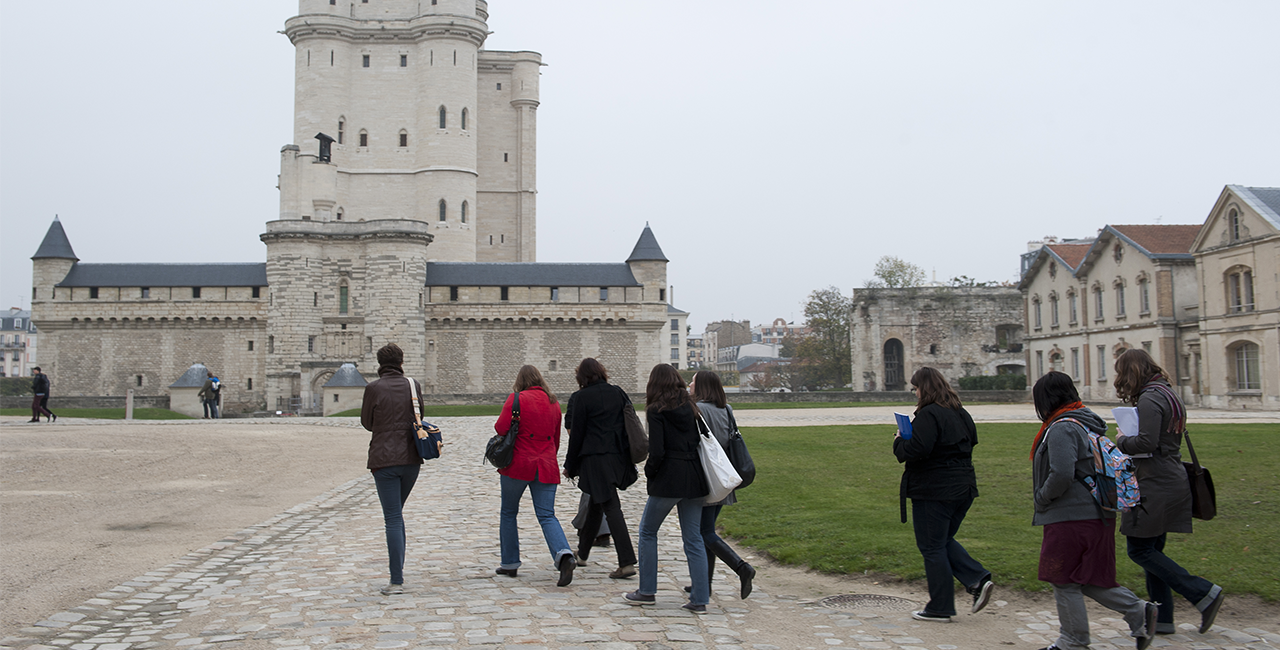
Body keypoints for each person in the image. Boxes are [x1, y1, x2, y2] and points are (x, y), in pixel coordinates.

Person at [1031, 371, 1157, 650]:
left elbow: (1062, 473)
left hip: (1071, 515)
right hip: (1095, 513)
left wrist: (1042, 497)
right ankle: (1139, 611)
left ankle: (1073, 641)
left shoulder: (1063, 426)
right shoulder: (1086, 422)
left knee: (1062, 578)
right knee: (1085, 577)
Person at [1114, 349, 1225, 635]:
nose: (1121, 380)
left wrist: (1122, 441)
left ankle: (1203, 592)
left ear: (1132, 371)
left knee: (1139, 550)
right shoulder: (1168, 393)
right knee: (1153, 550)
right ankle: (1162, 619)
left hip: (1154, 483)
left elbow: (1147, 443)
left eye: (1122, 374)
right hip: (1170, 477)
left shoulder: (1151, 398)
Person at [892, 366, 993, 623]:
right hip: (964, 486)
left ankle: (940, 606)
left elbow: (917, 449)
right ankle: (977, 579)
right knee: (942, 540)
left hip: (934, 489)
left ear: (923, 388)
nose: (914, 393)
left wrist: (899, 440)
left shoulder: (929, 414)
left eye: (915, 388)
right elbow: (972, 441)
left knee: (931, 546)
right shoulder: (960, 412)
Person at [625, 364, 711, 613]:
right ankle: (700, 598)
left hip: (670, 477)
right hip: (694, 475)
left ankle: (647, 590)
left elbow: (658, 450)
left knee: (647, 532)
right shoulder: (691, 406)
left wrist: (650, 471)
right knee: (693, 538)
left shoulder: (656, 409)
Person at [492, 365, 576, 587]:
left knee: (509, 512)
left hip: (518, 465)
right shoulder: (554, 403)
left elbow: (501, 429)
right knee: (547, 515)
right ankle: (564, 554)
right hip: (546, 465)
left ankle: (510, 563)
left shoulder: (516, 399)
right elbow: (556, 439)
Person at [563, 358, 638, 579]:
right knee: (597, 503)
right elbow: (629, 421)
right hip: (618, 457)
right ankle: (583, 553)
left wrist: (570, 465)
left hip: (596, 460)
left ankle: (626, 562)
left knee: (611, 507)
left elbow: (576, 436)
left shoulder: (581, 398)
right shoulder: (618, 393)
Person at [360, 343, 425, 595]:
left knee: (393, 517)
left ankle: (396, 580)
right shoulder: (413, 385)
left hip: (384, 460)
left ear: (379, 363)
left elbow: (367, 422)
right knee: (396, 515)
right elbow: (419, 416)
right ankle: (398, 572)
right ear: (401, 361)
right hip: (411, 459)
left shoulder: (373, 388)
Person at [688, 370, 755, 599]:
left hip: (708, 478)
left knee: (703, 532)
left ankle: (741, 567)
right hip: (724, 476)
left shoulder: (699, 411)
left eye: (693, 382)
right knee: (707, 530)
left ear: (702, 386)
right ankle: (703, 582)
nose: (689, 384)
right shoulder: (726, 409)